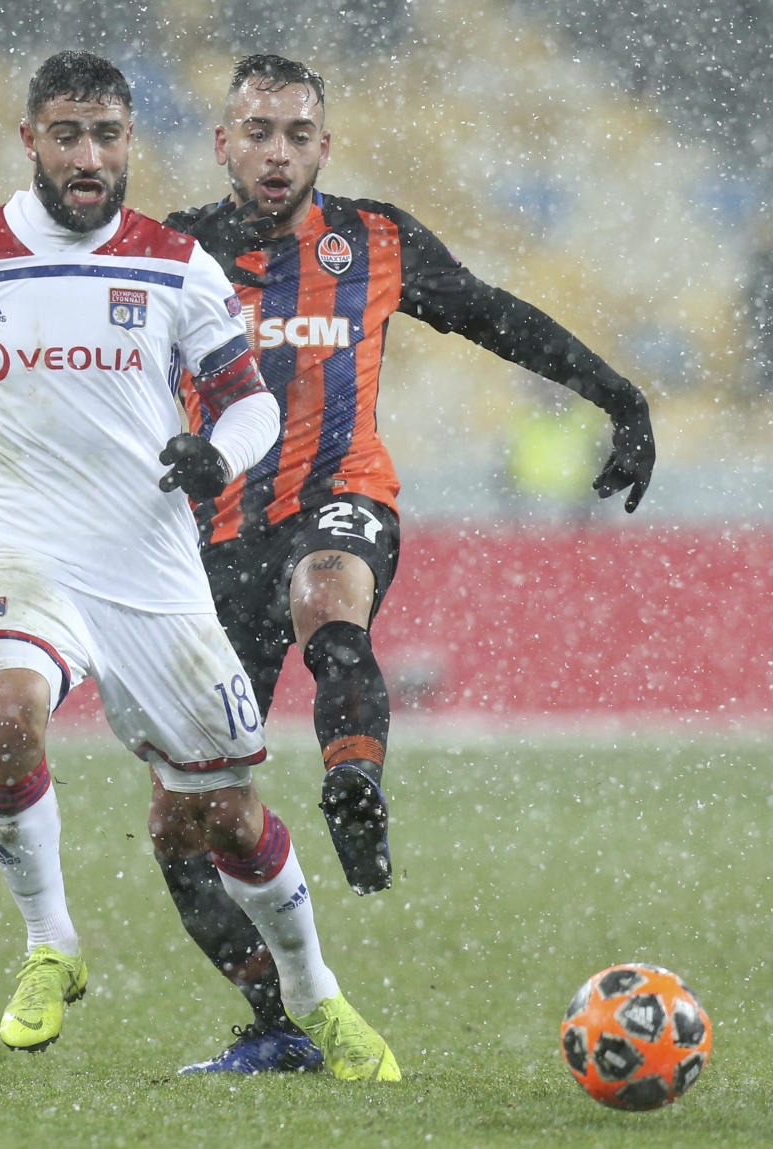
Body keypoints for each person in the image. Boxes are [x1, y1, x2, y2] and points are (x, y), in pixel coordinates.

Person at [0, 49, 400, 1083]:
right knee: (8, 714)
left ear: (128, 143)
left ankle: (318, 998)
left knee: (224, 818)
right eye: (68, 133)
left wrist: (219, 454)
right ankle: (51, 944)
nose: (89, 155)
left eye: (107, 134)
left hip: (151, 563)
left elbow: (249, 399)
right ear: (31, 140)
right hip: (22, 546)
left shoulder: (174, 266)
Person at [150, 53, 656, 1074]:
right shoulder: (174, 254)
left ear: (324, 146)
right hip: (217, 540)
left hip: (344, 493)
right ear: (224, 143)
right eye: (259, 132)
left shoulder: (373, 239)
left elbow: (491, 312)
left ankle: (355, 788)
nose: (279, 151)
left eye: (298, 133)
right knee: (185, 829)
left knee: (330, 599)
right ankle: (279, 1022)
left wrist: (620, 396)